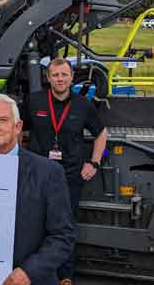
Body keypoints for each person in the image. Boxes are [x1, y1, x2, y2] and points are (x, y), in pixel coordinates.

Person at [0, 93, 74, 285]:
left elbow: (63, 235)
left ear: (17, 126)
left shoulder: (48, 173)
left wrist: (29, 272)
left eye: (3, 120)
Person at [23, 58, 107, 285]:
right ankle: (33, 273)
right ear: (48, 78)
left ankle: (65, 277)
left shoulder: (83, 105)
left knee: (64, 228)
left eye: (64, 75)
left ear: (71, 78)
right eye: (55, 75)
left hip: (69, 178)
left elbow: (101, 133)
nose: (60, 79)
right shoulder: (35, 101)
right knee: (34, 224)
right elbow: (18, 129)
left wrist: (94, 163)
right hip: (37, 176)